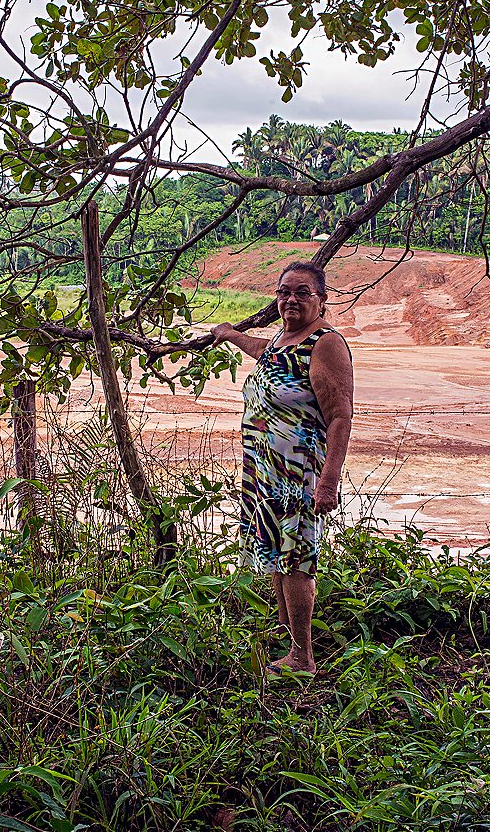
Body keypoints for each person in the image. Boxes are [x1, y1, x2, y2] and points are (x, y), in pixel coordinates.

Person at [211, 262, 354, 676]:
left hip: (298, 474)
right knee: (275, 552)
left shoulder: (326, 343)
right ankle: (287, 637)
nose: (291, 299)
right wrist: (230, 335)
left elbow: (341, 416)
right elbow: (266, 353)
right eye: (284, 292)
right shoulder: (284, 337)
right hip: (265, 470)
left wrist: (328, 481)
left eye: (302, 292)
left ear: (322, 300)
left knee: (294, 560)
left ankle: (302, 657)